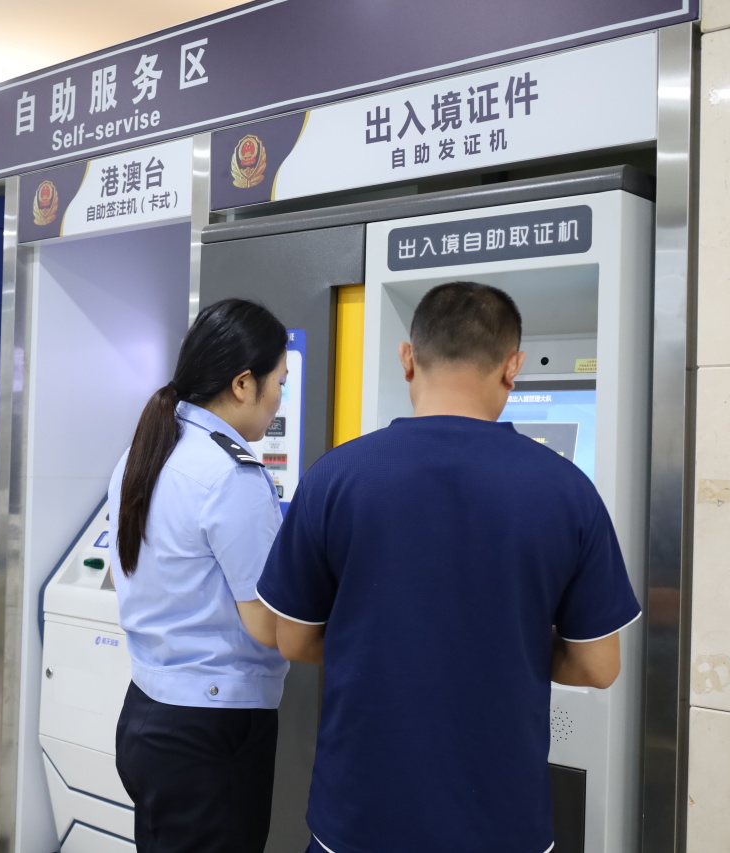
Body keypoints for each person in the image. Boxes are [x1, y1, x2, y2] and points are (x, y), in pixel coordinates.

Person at [257, 281, 641, 853]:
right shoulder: (569, 490)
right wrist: (505, 648)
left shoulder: (335, 477)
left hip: (360, 816)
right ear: (512, 367)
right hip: (503, 823)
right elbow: (598, 665)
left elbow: (292, 638)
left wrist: (387, 647)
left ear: (407, 358)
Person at [107, 298, 291, 853]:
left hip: (148, 714)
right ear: (243, 384)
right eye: (279, 383)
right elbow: (267, 625)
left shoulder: (143, 453)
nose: (279, 399)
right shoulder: (231, 476)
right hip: (212, 734)